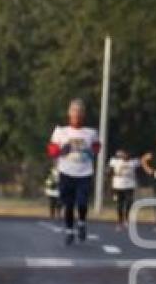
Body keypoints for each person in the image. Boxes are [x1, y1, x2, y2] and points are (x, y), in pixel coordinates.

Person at [46, 99, 100, 245]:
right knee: (68, 204)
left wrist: (91, 152)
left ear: (83, 115)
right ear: (69, 113)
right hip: (66, 171)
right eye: (74, 112)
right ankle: (70, 230)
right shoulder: (61, 131)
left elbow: (96, 147)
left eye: (79, 112)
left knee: (82, 202)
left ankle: (81, 223)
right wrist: (60, 151)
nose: (76, 115)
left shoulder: (90, 133)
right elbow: (51, 150)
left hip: (84, 172)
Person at [108, 149, 140, 230]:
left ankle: (127, 218)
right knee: (119, 204)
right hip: (118, 185)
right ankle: (120, 220)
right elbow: (110, 171)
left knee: (129, 202)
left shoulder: (133, 162)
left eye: (126, 154)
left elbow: (139, 167)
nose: (124, 156)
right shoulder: (115, 161)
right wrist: (111, 185)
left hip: (129, 185)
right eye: (122, 154)